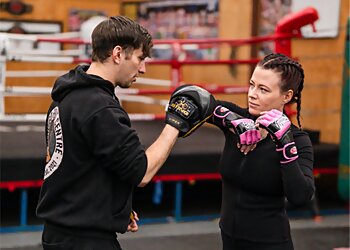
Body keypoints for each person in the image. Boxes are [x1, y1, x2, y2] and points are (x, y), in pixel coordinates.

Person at [36, 16, 215, 250]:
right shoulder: (100, 108)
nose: (142, 68)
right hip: (84, 240)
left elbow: (76, 163)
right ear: (118, 54)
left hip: (60, 232)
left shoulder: (66, 96)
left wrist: (113, 205)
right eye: (140, 58)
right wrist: (175, 123)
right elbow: (142, 173)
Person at [210, 53, 315, 250]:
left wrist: (285, 145)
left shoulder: (298, 140)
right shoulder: (238, 119)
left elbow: (300, 196)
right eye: (252, 85)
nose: (252, 94)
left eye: (263, 89)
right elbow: (187, 96)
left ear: (287, 96)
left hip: (271, 244)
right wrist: (232, 120)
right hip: (229, 242)